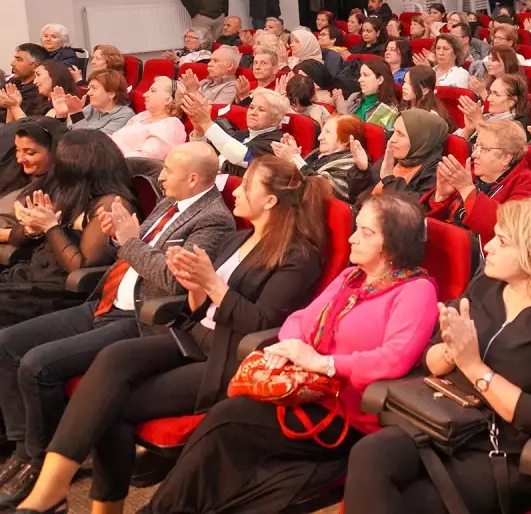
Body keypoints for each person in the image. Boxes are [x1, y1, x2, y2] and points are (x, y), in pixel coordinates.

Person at [14, 155, 331, 514]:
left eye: (247, 185)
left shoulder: (299, 256)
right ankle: (52, 490)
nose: (237, 190)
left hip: (229, 357)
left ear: (270, 200)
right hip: (192, 337)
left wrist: (211, 283)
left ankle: (86, 503)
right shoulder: (238, 239)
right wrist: (193, 282)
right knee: (115, 357)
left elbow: (261, 325)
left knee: (110, 408)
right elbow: (197, 308)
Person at [145, 191, 435, 513]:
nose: (352, 238)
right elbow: (298, 319)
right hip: (304, 391)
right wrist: (291, 348)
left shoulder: (415, 291)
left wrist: (324, 363)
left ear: (394, 244)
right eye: (356, 227)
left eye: (366, 233)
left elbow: (394, 358)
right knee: (226, 428)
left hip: (349, 415)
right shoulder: (351, 276)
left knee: (228, 422)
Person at [0, 143, 233, 504]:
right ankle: (20, 446)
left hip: (139, 317)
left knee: (37, 364)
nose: (160, 175)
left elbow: (175, 283)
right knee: (8, 343)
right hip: (106, 300)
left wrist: (129, 240)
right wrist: (114, 237)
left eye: (169, 170)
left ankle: (41, 461)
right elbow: (131, 252)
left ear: (193, 178)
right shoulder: (170, 202)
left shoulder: (213, 220)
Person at [343, 199, 531, 513]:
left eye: (502, 241)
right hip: (444, 421)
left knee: (409, 502)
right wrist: (452, 351)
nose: (487, 247)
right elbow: (430, 360)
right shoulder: (487, 285)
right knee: (369, 454)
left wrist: (473, 366)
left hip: (499, 447)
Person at [0, 130, 134, 329]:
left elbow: (82, 268)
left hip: (57, 291)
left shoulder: (110, 204)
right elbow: (29, 235)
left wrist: (50, 227)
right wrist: (32, 228)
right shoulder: (75, 194)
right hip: (30, 274)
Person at [425, 119, 531, 244]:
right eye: (476, 146)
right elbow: (431, 221)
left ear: (506, 158)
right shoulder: (473, 169)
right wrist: (441, 196)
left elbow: (506, 231)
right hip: (445, 240)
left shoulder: (527, 187)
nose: (474, 154)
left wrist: (466, 189)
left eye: (484, 149)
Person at [179, 88, 287, 177]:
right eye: (252, 107)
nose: (253, 112)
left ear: (275, 120)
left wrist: (206, 123)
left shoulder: (278, 141)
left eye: (261, 110)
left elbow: (242, 157)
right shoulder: (241, 134)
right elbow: (205, 157)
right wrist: (199, 131)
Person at [270, 113, 371, 203]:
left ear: (346, 140)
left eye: (327, 132)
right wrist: (289, 160)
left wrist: (295, 159)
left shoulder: (352, 163)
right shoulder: (318, 153)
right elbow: (301, 177)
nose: (319, 137)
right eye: (322, 132)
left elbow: (322, 190)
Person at [370, 109, 449, 197]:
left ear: (420, 140)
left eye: (400, 134)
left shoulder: (434, 173)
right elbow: (359, 196)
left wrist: (388, 179)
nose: (392, 139)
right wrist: (361, 170)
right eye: (394, 131)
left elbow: (415, 207)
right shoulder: (396, 155)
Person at [109, 76, 186, 161]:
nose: (145, 94)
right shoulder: (143, 115)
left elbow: (143, 159)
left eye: (153, 91)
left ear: (168, 100)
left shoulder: (171, 125)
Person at [50, 69, 134, 135]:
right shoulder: (92, 107)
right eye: (89, 88)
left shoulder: (124, 116)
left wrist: (76, 113)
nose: (88, 93)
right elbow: (69, 129)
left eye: (94, 88)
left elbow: (93, 144)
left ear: (111, 93)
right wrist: (61, 116)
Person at [0, 60, 75, 124]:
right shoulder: (39, 103)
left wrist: (14, 107)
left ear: (54, 76)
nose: (34, 82)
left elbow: (35, 134)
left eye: (38, 75)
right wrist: (10, 107)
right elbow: (9, 130)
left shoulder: (73, 105)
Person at [334, 58, 400, 130]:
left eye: (365, 75)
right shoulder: (354, 97)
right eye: (360, 75)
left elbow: (366, 137)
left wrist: (342, 112)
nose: (359, 80)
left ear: (380, 80)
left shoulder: (388, 110)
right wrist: (339, 108)